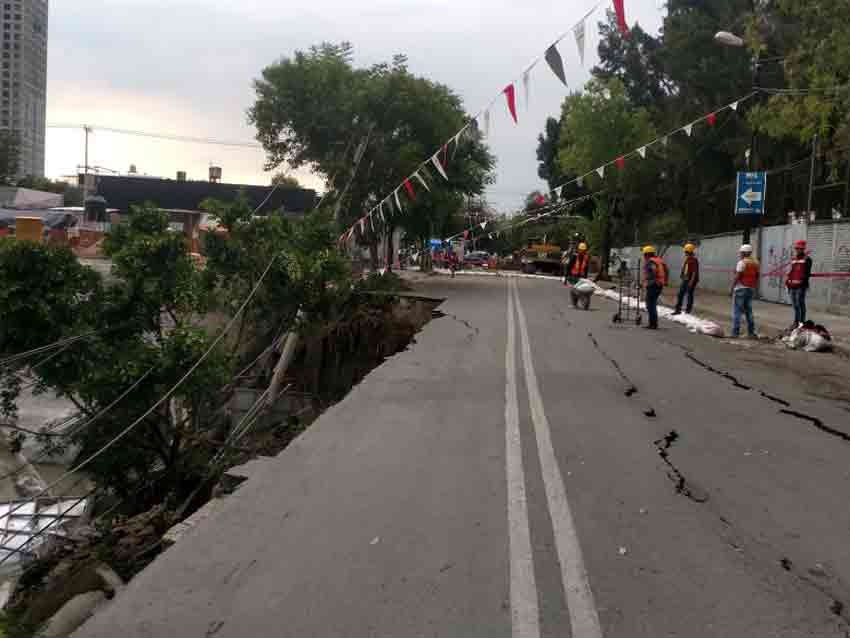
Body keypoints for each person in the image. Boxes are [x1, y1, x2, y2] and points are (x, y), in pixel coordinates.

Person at [730, 244, 760, 338]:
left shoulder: (742, 262)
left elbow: (738, 276)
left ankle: (735, 333)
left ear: (744, 253)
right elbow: (757, 276)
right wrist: (753, 285)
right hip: (750, 289)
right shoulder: (756, 263)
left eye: (741, 252)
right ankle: (751, 332)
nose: (740, 254)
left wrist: (732, 288)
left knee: (737, 311)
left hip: (740, 289)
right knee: (749, 311)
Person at [785, 239, 813, 328]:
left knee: (800, 304)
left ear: (803, 249)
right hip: (792, 285)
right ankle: (796, 322)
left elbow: (806, 274)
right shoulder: (793, 259)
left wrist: (801, 282)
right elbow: (791, 272)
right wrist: (788, 282)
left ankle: (801, 322)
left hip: (801, 286)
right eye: (797, 248)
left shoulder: (807, 259)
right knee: (795, 305)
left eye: (800, 248)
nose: (798, 250)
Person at [642, 246, 668, 330]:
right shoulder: (659, 260)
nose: (644, 256)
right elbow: (666, 270)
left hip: (653, 285)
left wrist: (647, 281)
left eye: (644, 254)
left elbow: (652, 272)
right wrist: (665, 281)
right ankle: (653, 323)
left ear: (647, 254)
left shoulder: (650, 262)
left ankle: (653, 324)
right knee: (652, 303)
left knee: (650, 304)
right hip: (659, 284)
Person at [673, 243, 700, 315]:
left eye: (685, 251)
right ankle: (678, 310)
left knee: (689, 295)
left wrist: (691, 282)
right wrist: (682, 276)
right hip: (685, 279)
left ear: (688, 251)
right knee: (680, 294)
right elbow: (685, 269)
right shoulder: (687, 259)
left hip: (690, 280)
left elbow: (694, 272)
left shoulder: (694, 260)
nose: (684, 253)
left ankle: (688, 310)